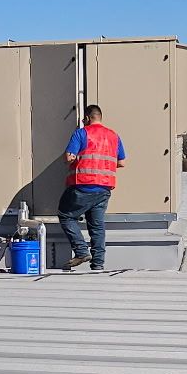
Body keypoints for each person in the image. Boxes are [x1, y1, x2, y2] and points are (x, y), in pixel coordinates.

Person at [59, 103, 126, 271]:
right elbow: (121, 162)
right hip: (104, 189)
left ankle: (81, 251)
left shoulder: (82, 133)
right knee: (97, 225)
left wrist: (75, 160)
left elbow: (69, 157)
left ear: (88, 118)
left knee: (66, 215)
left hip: (82, 186)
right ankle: (98, 264)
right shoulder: (114, 136)